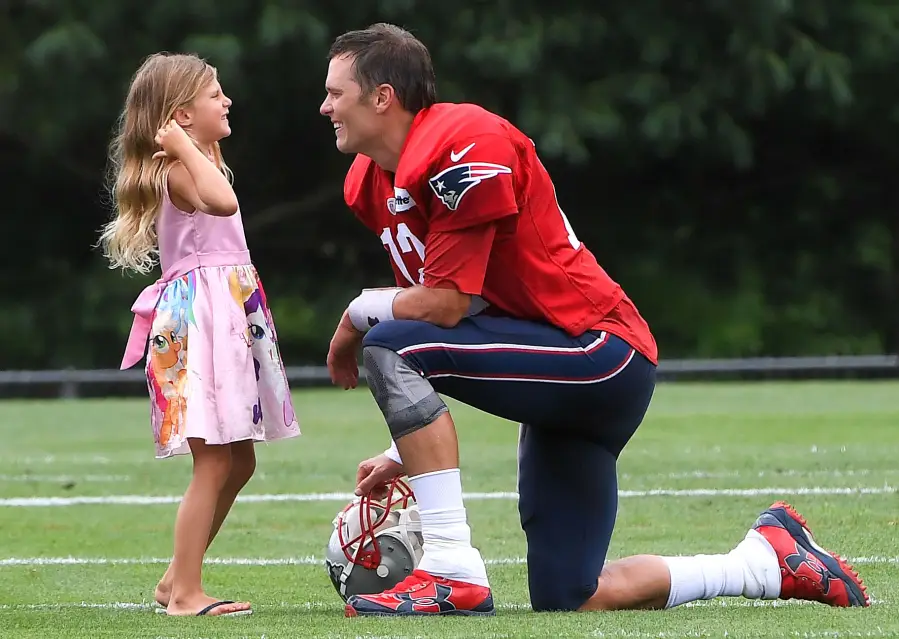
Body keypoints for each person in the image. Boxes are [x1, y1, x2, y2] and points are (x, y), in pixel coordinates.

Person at [320, 23, 869, 617]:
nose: (326, 107)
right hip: (560, 371)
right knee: (571, 596)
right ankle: (765, 562)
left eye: (335, 92)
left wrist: (355, 315)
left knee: (389, 342)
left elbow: (445, 306)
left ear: (382, 97)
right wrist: (402, 448)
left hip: (599, 352)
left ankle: (451, 569)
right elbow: (454, 318)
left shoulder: (462, 141)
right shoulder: (374, 181)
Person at [99, 52, 300, 617]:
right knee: (212, 462)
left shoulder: (197, 161)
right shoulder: (180, 167)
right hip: (201, 323)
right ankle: (186, 594)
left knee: (239, 462)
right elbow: (224, 202)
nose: (227, 101)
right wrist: (185, 147)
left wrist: (194, 147)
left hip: (225, 313)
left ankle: (175, 579)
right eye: (215, 94)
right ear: (182, 116)